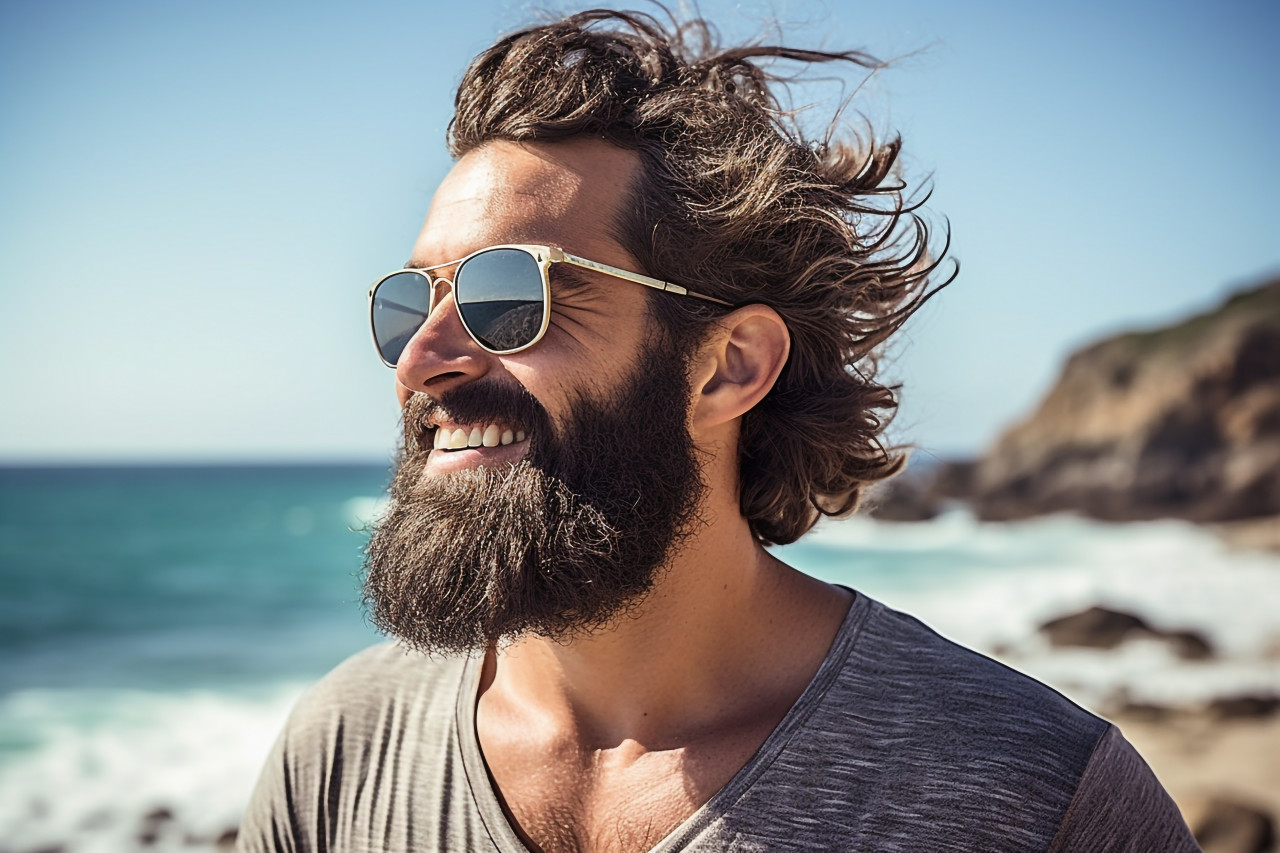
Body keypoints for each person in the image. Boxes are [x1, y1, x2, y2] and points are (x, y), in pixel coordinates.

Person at [237, 9, 1199, 852]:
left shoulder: (1032, 797)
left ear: (728, 363)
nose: (419, 359)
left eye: (509, 295)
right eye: (411, 302)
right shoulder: (340, 751)